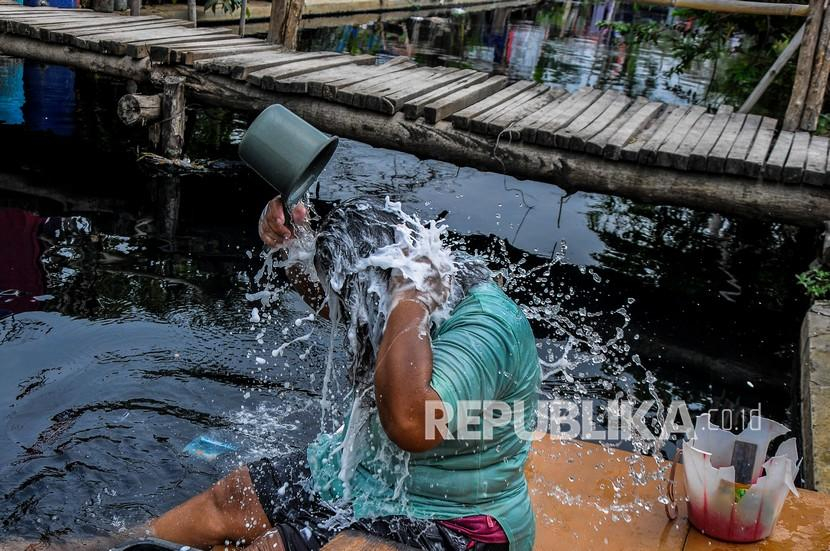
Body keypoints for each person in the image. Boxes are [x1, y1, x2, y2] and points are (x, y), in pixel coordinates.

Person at [146, 196, 541, 551]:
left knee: (282, 547)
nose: (352, 308)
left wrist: (409, 299)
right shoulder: (401, 295)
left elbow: (410, 423)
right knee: (233, 497)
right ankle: (107, 545)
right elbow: (342, 306)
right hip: (374, 475)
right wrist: (292, 246)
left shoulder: (487, 327)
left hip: (458, 520)